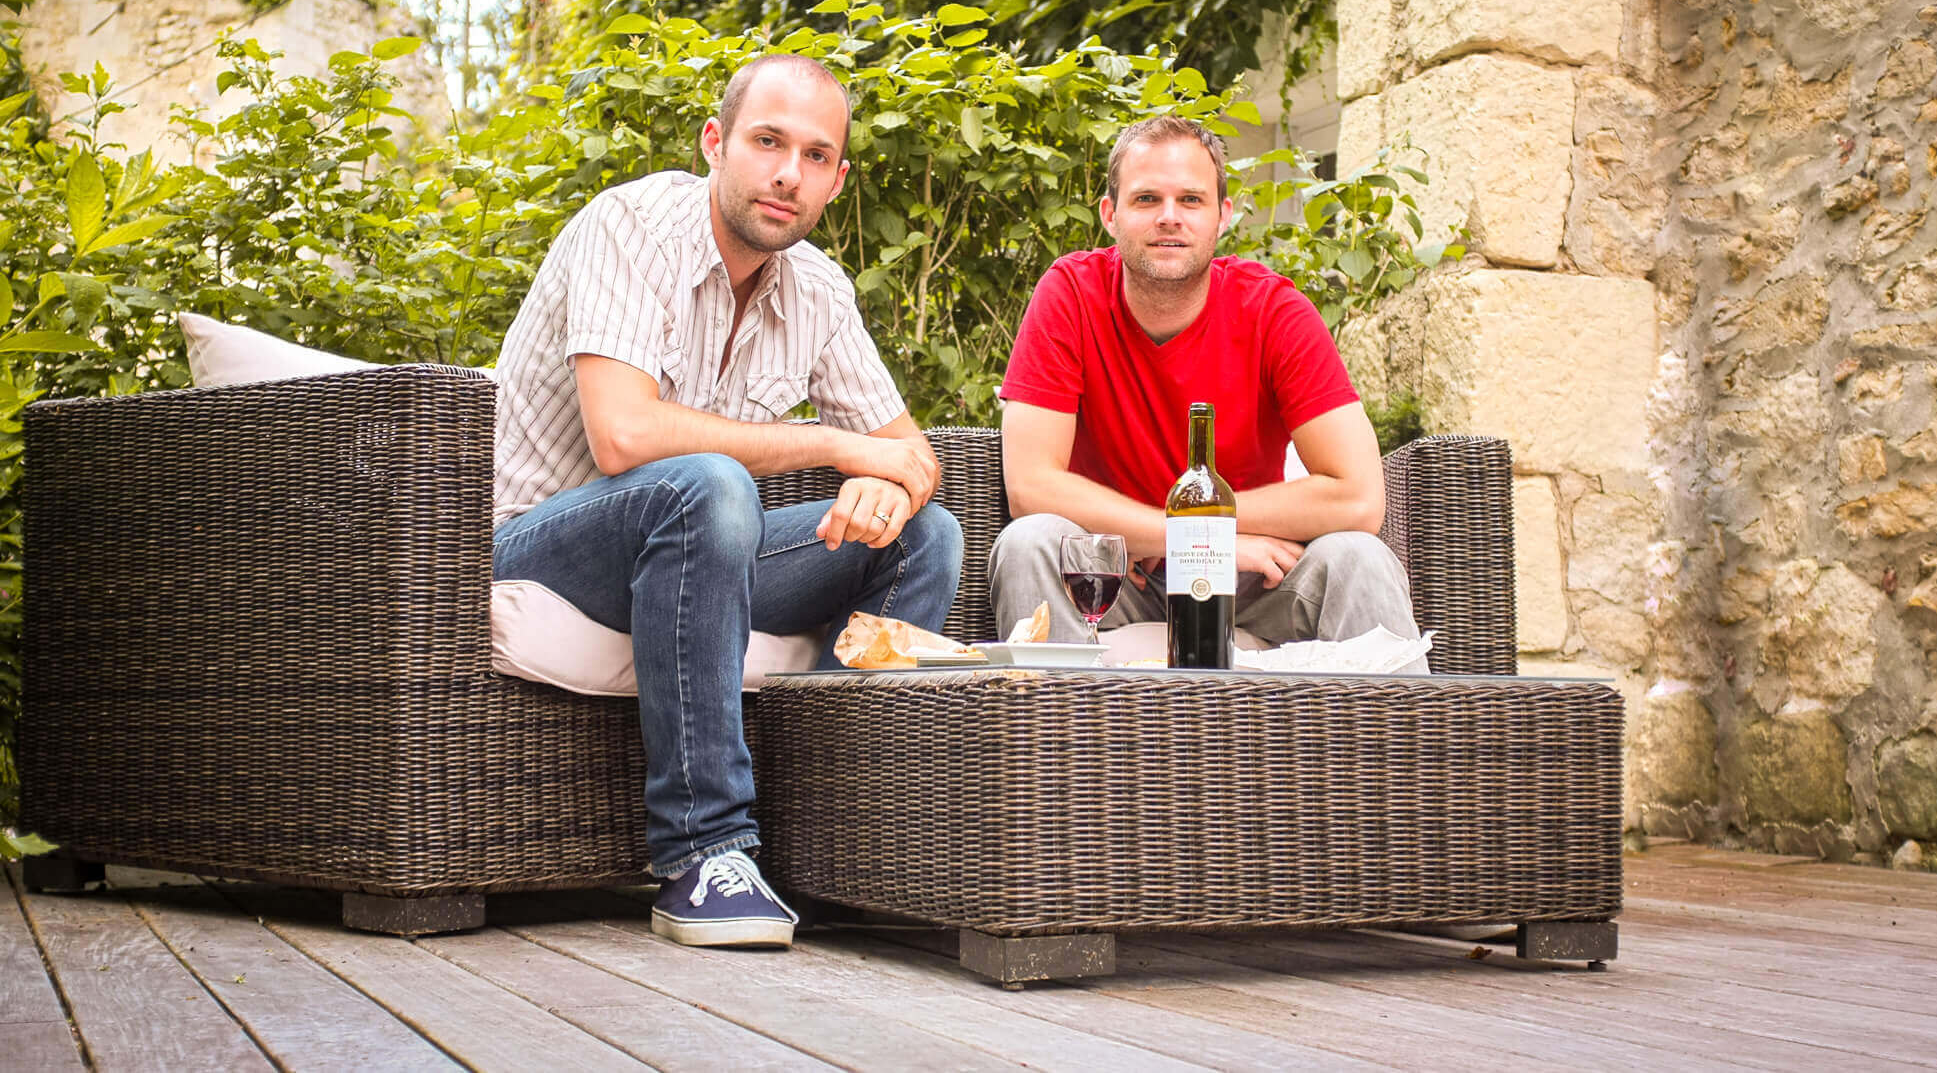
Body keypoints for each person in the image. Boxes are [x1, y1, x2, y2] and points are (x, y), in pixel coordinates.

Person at [491, 54, 963, 951]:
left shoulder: (818, 289)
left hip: (691, 546)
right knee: (708, 484)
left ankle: (841, 850)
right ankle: (702, 852)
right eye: (768, 142)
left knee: (923, 534)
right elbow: (622, 437)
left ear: (837, 180)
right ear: (716, 142)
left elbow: (915, 457)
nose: (788, 172)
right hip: (540, 546)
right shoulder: (631, 226)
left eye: (817, 155)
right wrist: (835, 446)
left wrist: (883, 478)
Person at [990, 115, 1423, 667]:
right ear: (1110, 214)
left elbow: (1359, 497)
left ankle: (1394, 752)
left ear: (1224, 216)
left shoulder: (1274, 311)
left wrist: (1207, 540)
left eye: (1191, 200)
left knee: (1359, 556)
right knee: (1031, 542)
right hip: (1122, 576)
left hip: (1253, 582)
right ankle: (1063, 749)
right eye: (1146, 198)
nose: (1169, 217)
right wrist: (1185, 536)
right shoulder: (1071, 294)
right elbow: (1032, 487)